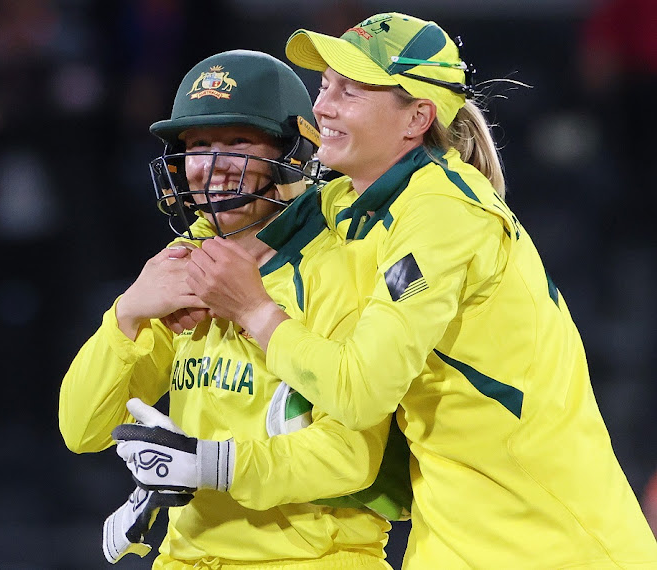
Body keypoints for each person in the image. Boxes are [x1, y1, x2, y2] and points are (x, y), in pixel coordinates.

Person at [135, 13, 657, 569]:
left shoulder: (443, 216)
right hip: (455, 530)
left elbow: (361, 392)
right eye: (326, 86)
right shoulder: (351, 204)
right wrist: (175, 287)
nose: (323, 108)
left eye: (351, 90)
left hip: (548, 540)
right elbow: (245, 223)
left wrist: (253, 311)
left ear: (417, 118)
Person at [59, 49, 408, 569]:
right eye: (198, 145)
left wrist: (211, 465)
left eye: (238, 140)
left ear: (295, 152)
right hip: (186, 558)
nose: (212, 165)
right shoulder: (182, 266)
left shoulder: (342, 267)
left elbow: (350, 458)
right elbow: (82, 429)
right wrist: (127, 314)